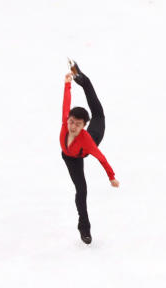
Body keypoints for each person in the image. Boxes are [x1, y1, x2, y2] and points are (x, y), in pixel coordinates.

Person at [61, 60, 119, 245]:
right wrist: (67, 84)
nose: (72, 126)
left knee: (98, 111)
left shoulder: (87, 140)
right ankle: (80, 78)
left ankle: (84, 80)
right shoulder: (65, 123)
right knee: (81, 190)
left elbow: (102, 159)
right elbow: (66, 102)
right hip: (71, 158)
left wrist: (111, 177)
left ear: (83, 125)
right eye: (71, 122)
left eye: (78, 124)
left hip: (95, 134)